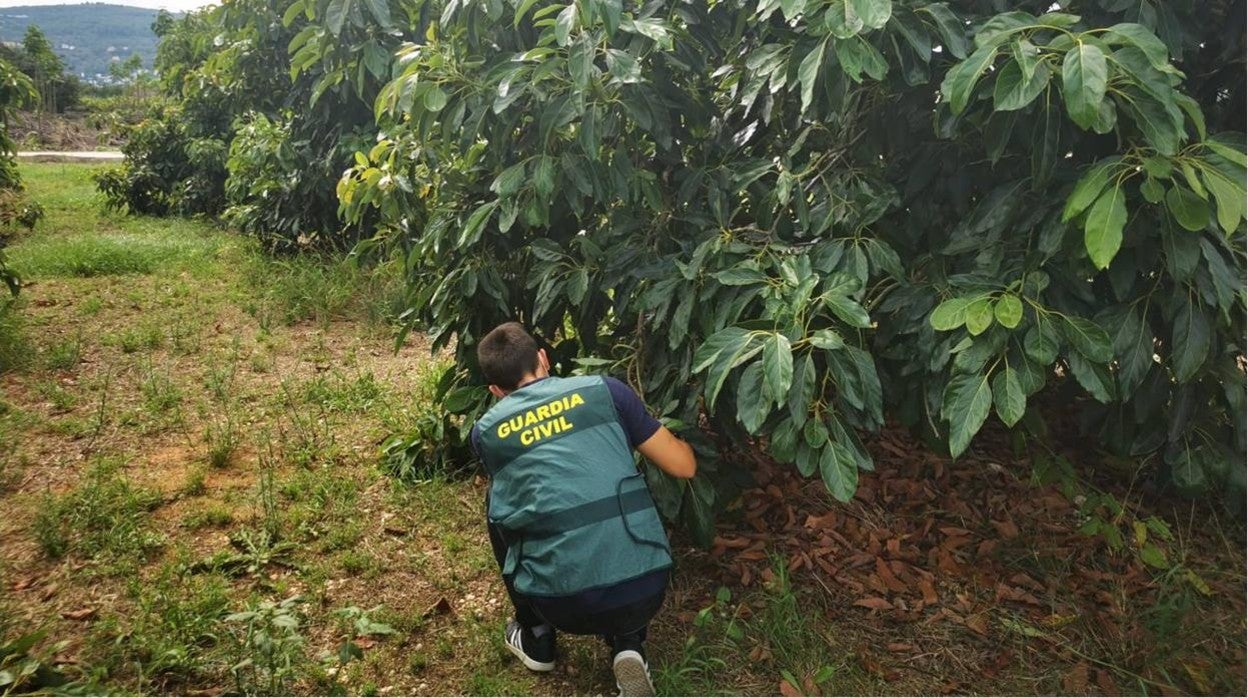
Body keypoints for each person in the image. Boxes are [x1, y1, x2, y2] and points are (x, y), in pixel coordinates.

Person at [470, 322, 697, 696]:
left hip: (560, 604)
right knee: (615, 487)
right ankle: (628, 643)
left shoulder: (486, 431)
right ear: (544, 358)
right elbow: (683, 467)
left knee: (497, 505)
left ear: (496, 391)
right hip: (646, 588)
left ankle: (537, 636)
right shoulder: (606, 391)